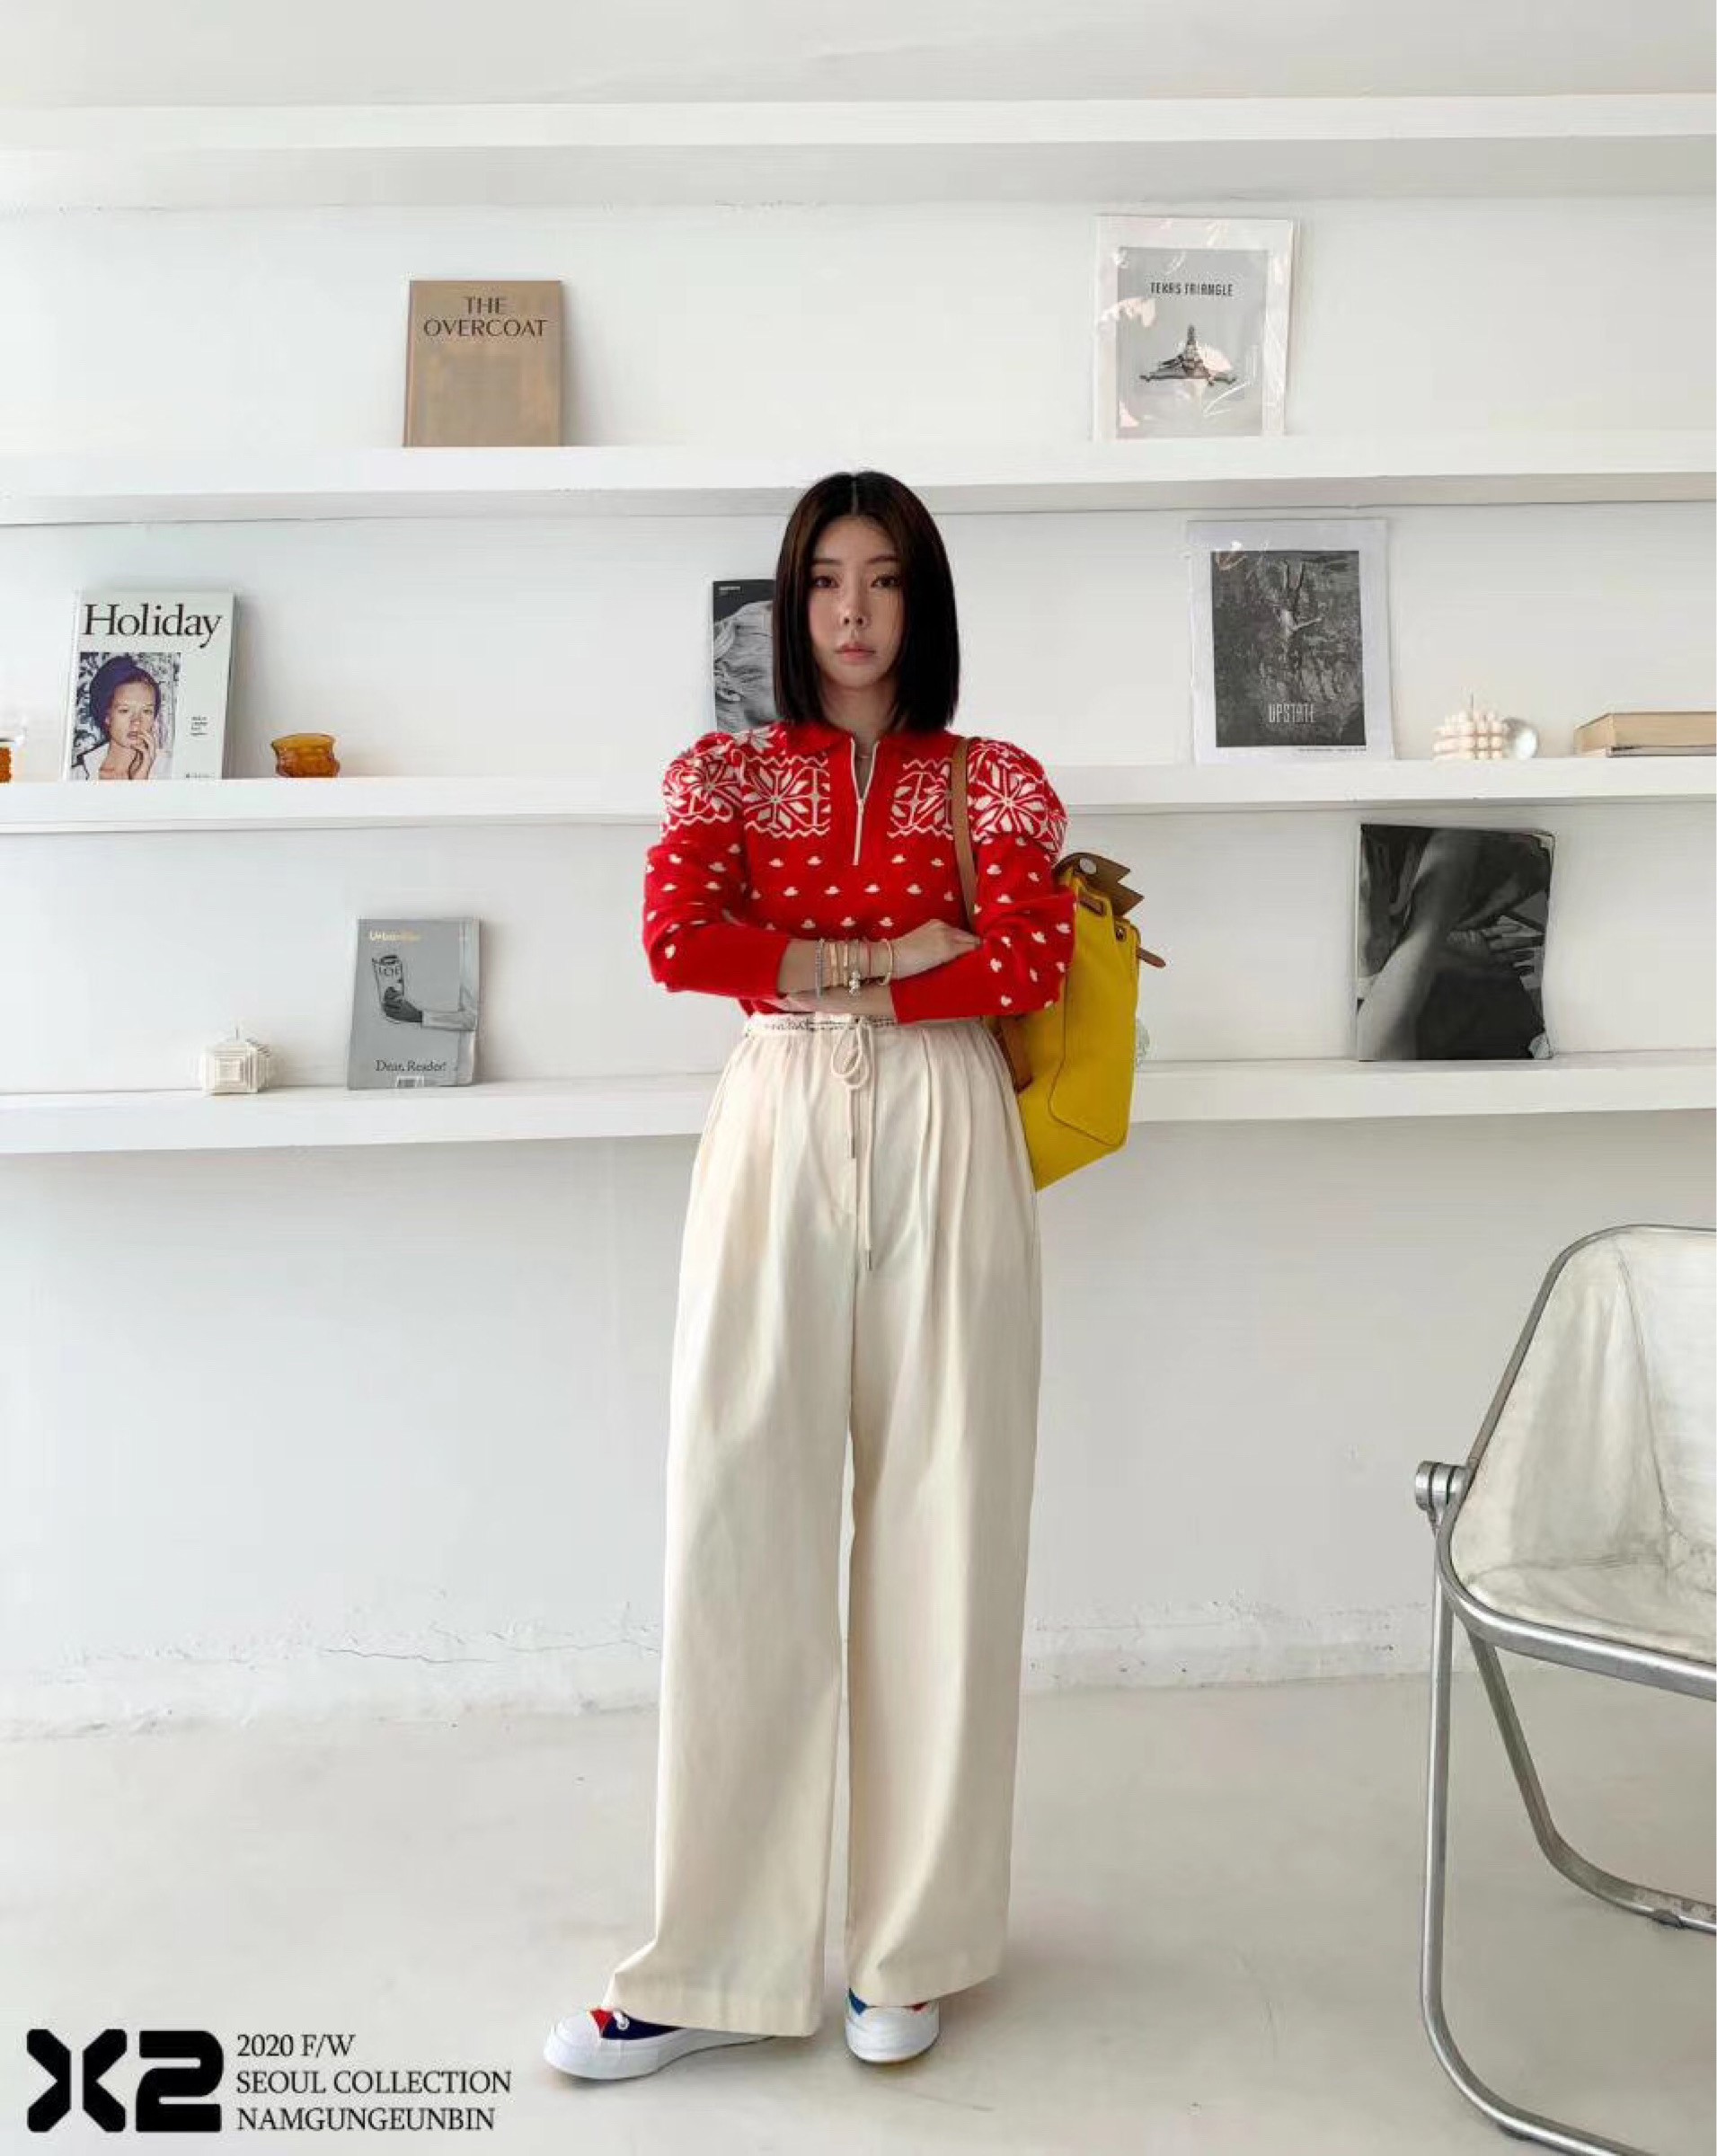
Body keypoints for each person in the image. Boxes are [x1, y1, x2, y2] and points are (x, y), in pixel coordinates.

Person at [544, 469, 1075, 2084]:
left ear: (925, 601)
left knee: (946, 1524)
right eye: (826, 581)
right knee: (736, 1520)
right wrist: (892, 956)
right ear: (790, 607)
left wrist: (830, 973)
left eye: (885, 579)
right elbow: (678, 944)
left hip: (947, 1127)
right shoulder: (722, 771)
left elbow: (1029, 958)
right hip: (773, 1120)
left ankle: (911, 1948)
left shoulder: (997, 779)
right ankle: (710, 1960)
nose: (853, 612)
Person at [68, 657, 166, 781]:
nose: (137, 721)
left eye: (146, 711)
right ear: (107, 716)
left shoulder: (170, 769)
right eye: (124, 710)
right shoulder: (76, 776)